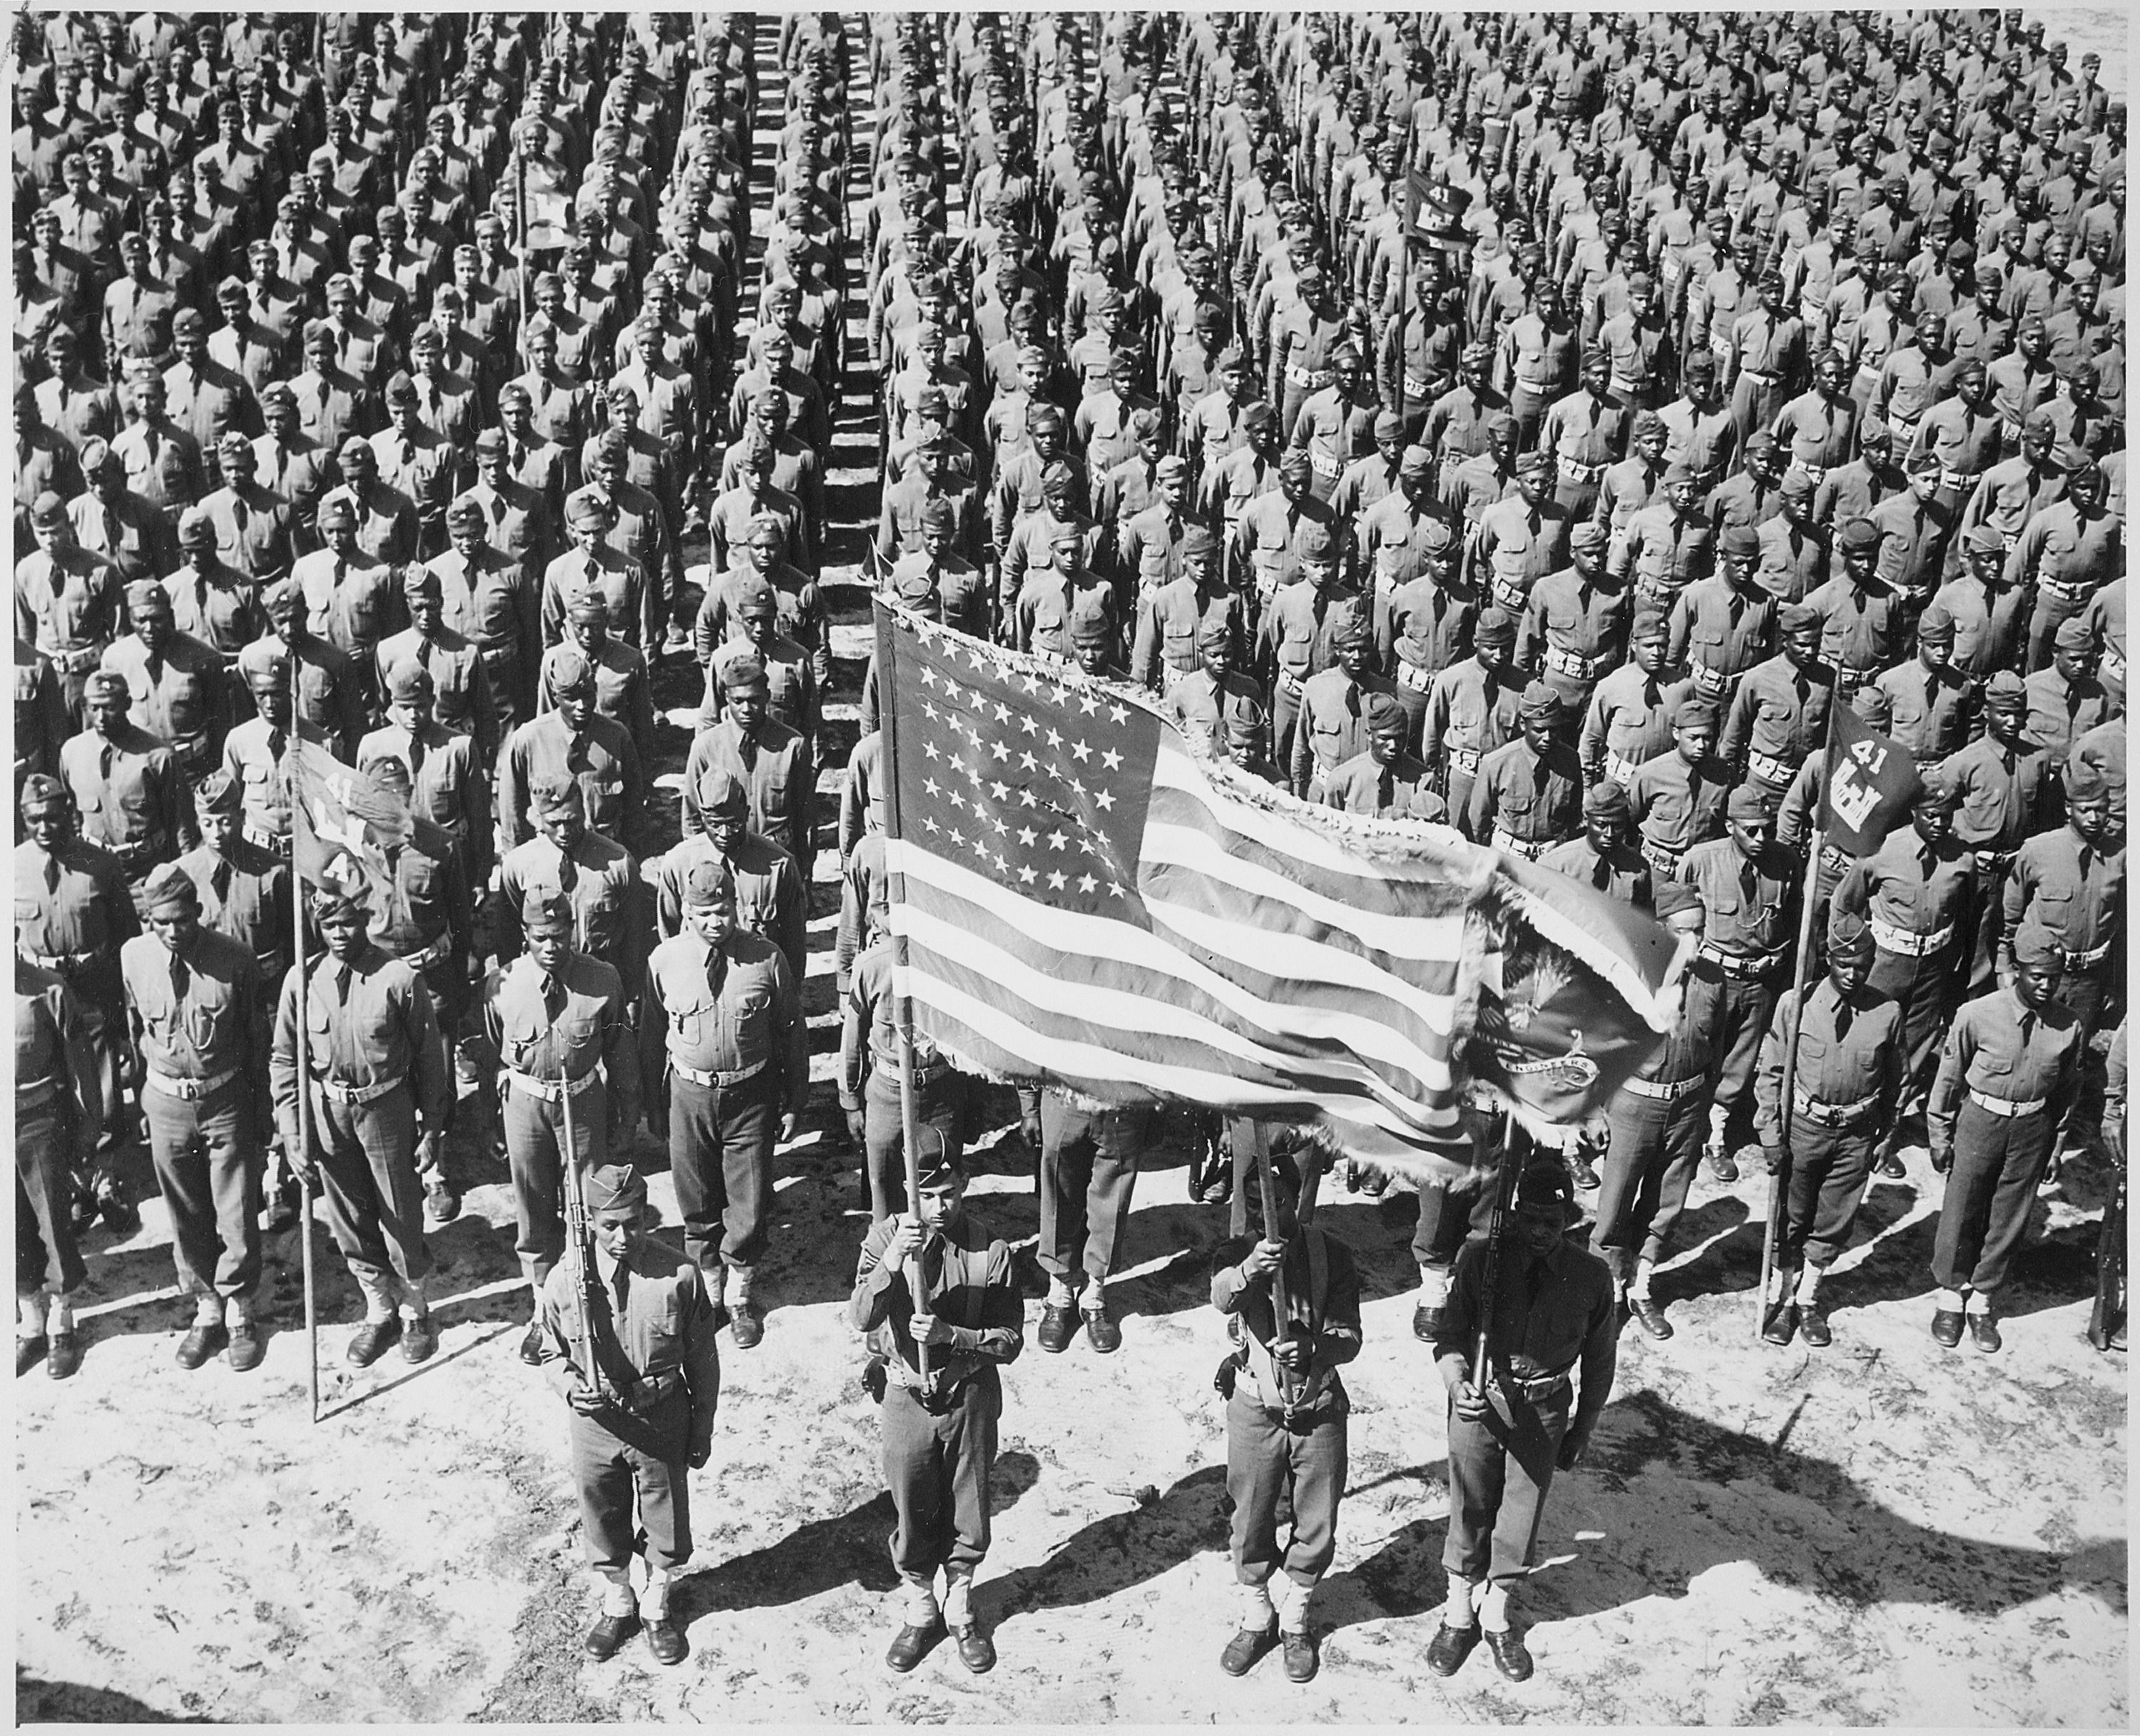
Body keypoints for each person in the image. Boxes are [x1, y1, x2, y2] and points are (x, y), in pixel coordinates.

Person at [1430, 1161, 1616, 1683]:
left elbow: (1600, 1359)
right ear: (1513, 1214)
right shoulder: (1480, 1261)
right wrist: (1455, 1381)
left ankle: (1496, 1614)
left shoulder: (1591, 1276)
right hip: (1482, 1401)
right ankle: (1458, 1611)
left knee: (1522, 1508)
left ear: (1568, 1220)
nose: (1538, 1232)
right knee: (1469, 1503)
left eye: (1550, 1222)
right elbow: (1447, 1336)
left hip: (1546, 1406)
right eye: (1529, 1219)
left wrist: (1584, 1427)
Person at [850, 1129, 1023, 1676]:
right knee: (912, 1499)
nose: (939, 1206)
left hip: (968, 1395)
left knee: (969, 1504)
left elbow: (1011, 1339)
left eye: (948, 1192)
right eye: (927, 1195)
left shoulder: (990, 1251)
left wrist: (956, 1335)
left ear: (965, 1184)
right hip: (905, 1393)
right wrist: (893, 1264)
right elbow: (860, 1317)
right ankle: (921, 1607)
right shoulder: (884, 1240)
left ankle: (962, 1609)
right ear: (908, 1192)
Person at [537, 1163, 720, 1668]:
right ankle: (618, 1601)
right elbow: (550, 1353)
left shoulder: (679, 1275)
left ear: (648, 1218)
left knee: (666, 1517)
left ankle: (657, 1605)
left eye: (635, 1222)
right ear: (589, 1223)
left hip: (661, 1417)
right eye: (609, 1225)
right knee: (603, 1514)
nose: (623, 1236)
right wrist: (574, 1392)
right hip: (596, 1423)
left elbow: (703, 1359)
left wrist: (701, 1427)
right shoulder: (566, 1279)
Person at [270, 880, 450, 1367]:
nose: (339, 933)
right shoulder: (301, 981)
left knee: (400, 1217)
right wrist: (291, 1133)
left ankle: (415, 1310)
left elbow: (430, 1060)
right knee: (349, 1219)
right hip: (328, 1116)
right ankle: (379, 1309)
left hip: (386, 1110)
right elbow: (285, 1061)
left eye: (348, 922)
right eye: (328, 925)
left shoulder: (397, 978)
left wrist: (431, 1128)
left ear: (365, 920)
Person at [1211, 1134, 1362, 1683]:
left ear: (1296, 1201)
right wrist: (1252, 1266)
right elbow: (1222, 1296)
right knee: (1249, 1513)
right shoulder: (1235, 1252)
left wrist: (1314, 1347)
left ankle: (1296, 1616)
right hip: (1256, 1408)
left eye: (1273, 1206)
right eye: (1253, 1205)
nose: (1262, 1217)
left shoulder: (1333, 1255)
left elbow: (1349, 1338)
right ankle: (1257, 1613)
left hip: (1318, 1406)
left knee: (1317, 1513)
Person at [641, 859, 807, 1350]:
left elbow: (792, 1036)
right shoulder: (664, 961)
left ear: (737, 905)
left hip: (750, 1096)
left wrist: (795, 1100)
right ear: (686, 913)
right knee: (695, 1198)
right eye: (703, 913)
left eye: (723, 910)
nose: (715, 922)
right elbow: (652, 1038)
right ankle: (708, 1292)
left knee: (749, 1201)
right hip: (688, 1095)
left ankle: (739, 1297)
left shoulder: (766, 960)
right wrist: (654, 1103)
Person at [478, 888, 641, 1367]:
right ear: (526, 936)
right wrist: (491, 1118)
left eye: (560, 935)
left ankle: (588, 1297)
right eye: (540, 937)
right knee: (532, 1207)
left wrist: (628, 1119)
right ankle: (542, 1311)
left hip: (583, 1101)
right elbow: (493, 1055)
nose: (551, 946)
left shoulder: (602, 980)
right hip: (527, 1104)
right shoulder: (500, 985)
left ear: (574, 930)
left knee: (587, 1201)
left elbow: (622, 1055)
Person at [120, 862, 272, 1372]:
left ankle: (241, 1311)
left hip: (225, 1099)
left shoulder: (235, 959)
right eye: (160, 922)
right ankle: (206, 1306)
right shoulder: (134, 958)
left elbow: (257, 1041)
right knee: (184, 1212)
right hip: (165, 1102)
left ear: (198, 913)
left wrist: (261, 1109)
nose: (172, 931)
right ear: (148, 919)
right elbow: (134, 1029)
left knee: (235, 1212)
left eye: (182, 920)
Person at [1925, 920, 2084, 1354]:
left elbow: (2068, 1091)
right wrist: (1939, 1132)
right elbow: (1949, 1077)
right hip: (1981, 1120)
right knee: (1963, 1208)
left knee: (2010, 1215)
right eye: (2038, 976)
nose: (2048, 986)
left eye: (2055, 977)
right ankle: (1950, 1295)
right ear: (2017, 970)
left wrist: (2057, 1144)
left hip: (2032, 1127)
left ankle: (1982, 1299)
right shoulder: (1978, 1014)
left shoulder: (2069, 1026)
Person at [1753, 911, 1905, 1349]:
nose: (1854, 974)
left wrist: (1887, 1136)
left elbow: (1897, 1081)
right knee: (1792, 1216)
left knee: (1834, 1219)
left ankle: (1808, 1299)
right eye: (1844, 964)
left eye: (1862, 965)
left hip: (1856, 1134)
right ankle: (1783, 1298)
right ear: (1828, 961)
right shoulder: (1795, 1005)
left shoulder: (1888, 1013)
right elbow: (1771, 1074)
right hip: (1803, 1128)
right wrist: (1770, 1136)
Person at [1591, 878, 1713, 1338]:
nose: (1697, 942)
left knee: (1667, 1201)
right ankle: (1607, 1292)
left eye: (1701, 930)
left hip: (1686, 1107)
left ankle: (1641, 1285)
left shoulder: (1713, 986)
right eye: (1686, 932)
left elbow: (1715, 1053)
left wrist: (1700, 1115)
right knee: (1615, 1204)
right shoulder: (1629, 981)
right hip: (1634, 1106)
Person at [16, 905, 105, 1380]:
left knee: (52, 1221)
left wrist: (90, 1126)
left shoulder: (48, 988)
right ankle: (29, 1324)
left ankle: (60, 1323)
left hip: (39, 1123)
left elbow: (81, 1063)